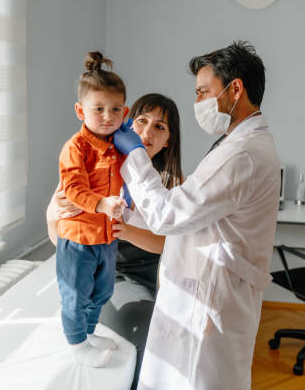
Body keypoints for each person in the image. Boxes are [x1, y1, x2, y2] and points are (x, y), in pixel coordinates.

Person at [113, 41, 280, 389]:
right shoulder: (237, 146)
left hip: (209, 301)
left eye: (204, 92)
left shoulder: (241, 154)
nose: (198, 103)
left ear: (235, 89)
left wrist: (134, 157)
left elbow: (168, 216)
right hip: (205, 294)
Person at [47, 93, 184, 386]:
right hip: (115, 274)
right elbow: (55, 230)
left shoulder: (172, 184)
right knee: (147, 336)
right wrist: (60, 211)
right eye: (141, 121)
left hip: (156, 274)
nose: (147, 132)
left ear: (168, 140)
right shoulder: (94, 166)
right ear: (126, 123)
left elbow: (168, 245)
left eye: (159, 127)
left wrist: (126, 228)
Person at [55, 51, 130, 368]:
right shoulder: (76, 147)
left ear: (125, 112)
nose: (106, 116)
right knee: (76, 294)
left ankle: (87, 332)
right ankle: (77, 345)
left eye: (114, 109)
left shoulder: (121, 144)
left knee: (103, 291)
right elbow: (72, 188)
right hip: (78, 238)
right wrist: (102, 203)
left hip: (107, 237)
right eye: (97, 109)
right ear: (80, 110)